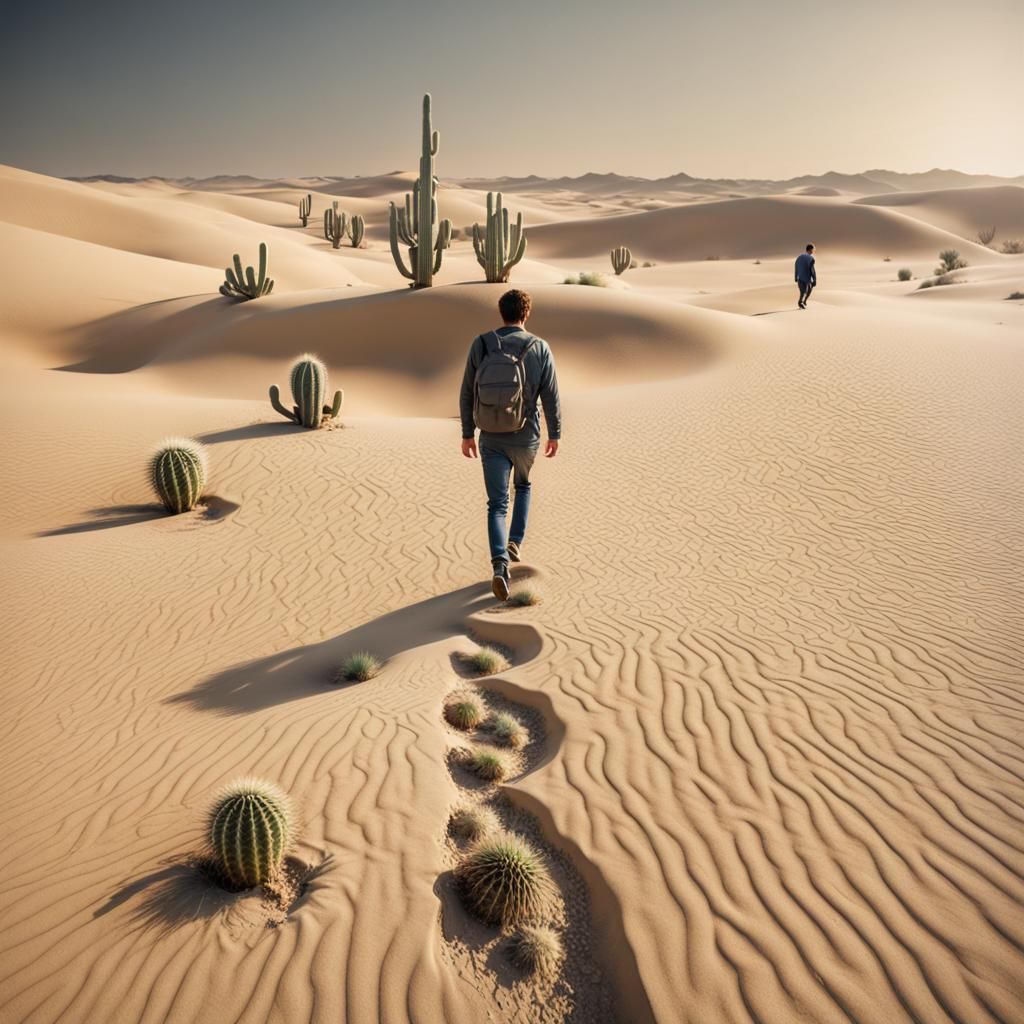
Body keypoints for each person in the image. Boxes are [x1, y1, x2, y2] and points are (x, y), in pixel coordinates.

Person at [459, 289, 561, 601]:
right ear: (526, 314)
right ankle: (515, 541)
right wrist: (554, 434)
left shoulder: (482, 344)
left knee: (497, 504)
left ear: (501, 312)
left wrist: (467, 433)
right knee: (524, 486)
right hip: (526, 435)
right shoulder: (539, 347)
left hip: (490, 435)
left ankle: (500, 566)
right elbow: (551, 396)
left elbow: (466, 392)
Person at [795, 243, 817, 308]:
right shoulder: (811, 258)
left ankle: (803, 301)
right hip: (807, 278)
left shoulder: (799, 257)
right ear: (810, 249)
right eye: (813, 250)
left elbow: (796, 267)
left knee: (805, 290)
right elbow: (812, 270)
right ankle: (801, 302)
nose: (813, 251)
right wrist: (815, 279)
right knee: (805, 291)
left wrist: (795, 277)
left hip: (800, 278)